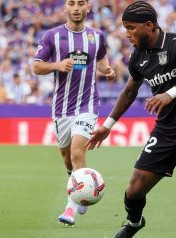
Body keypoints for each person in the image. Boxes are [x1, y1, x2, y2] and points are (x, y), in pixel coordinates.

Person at [85, 2, 176, 237]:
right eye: (125, 28)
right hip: (165, 129)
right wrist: (107, 126)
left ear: (148, 26)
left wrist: (170, 93)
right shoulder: (138, 57)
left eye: (130, 28)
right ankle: (135, 223)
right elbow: (129, 92)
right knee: (133, 191)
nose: (127, 34)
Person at [32, 0, 116, 226]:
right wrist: (57, 65)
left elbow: (100, 63)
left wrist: (107, 71)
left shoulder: (97, 36)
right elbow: (37, 66)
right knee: (67, 158)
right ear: (65, 8)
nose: (76, 8)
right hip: (61, 107)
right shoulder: (52, 35)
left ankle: (71, 208)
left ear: (88, 7)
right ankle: (78, 186)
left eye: (81, 3)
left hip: (87, 105)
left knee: (78, 153)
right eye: (72, 3)